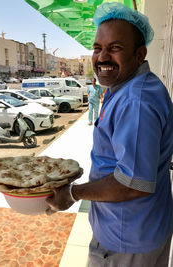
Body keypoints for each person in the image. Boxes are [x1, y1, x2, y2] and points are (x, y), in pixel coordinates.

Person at [46, 2, 173, 266]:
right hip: (142, 229)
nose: (102, 57)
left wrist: (72, 193)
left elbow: (133, 182)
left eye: (115, 48)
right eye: (97, 48)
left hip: (127, 238)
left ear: (140, 54)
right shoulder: (126, 87)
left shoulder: (136, 101)